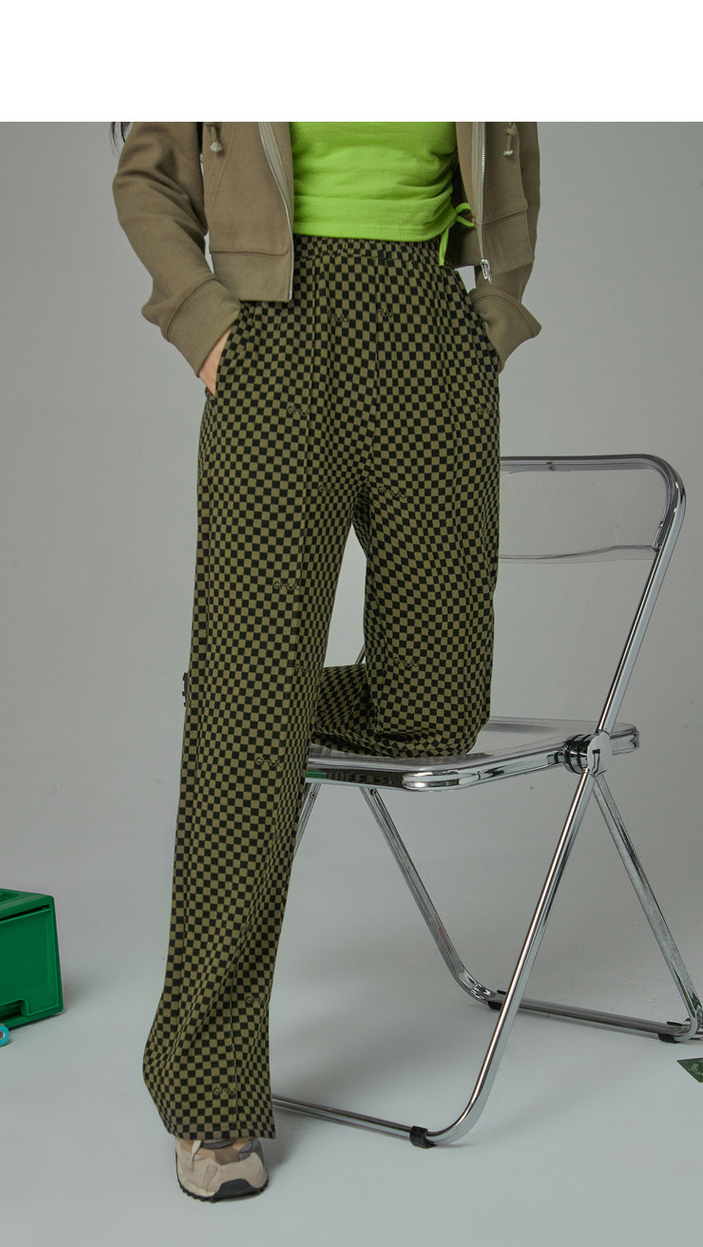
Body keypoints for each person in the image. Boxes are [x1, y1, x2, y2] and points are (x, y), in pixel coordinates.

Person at [111, 121, 541, 1202]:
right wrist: (205, 319)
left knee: (438, 707)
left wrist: (492, 312)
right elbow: (147, 178)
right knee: (250, 727)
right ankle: (208, 1092)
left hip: (432, 326)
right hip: (278, 328)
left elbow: (512, 149)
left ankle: (243, 707)